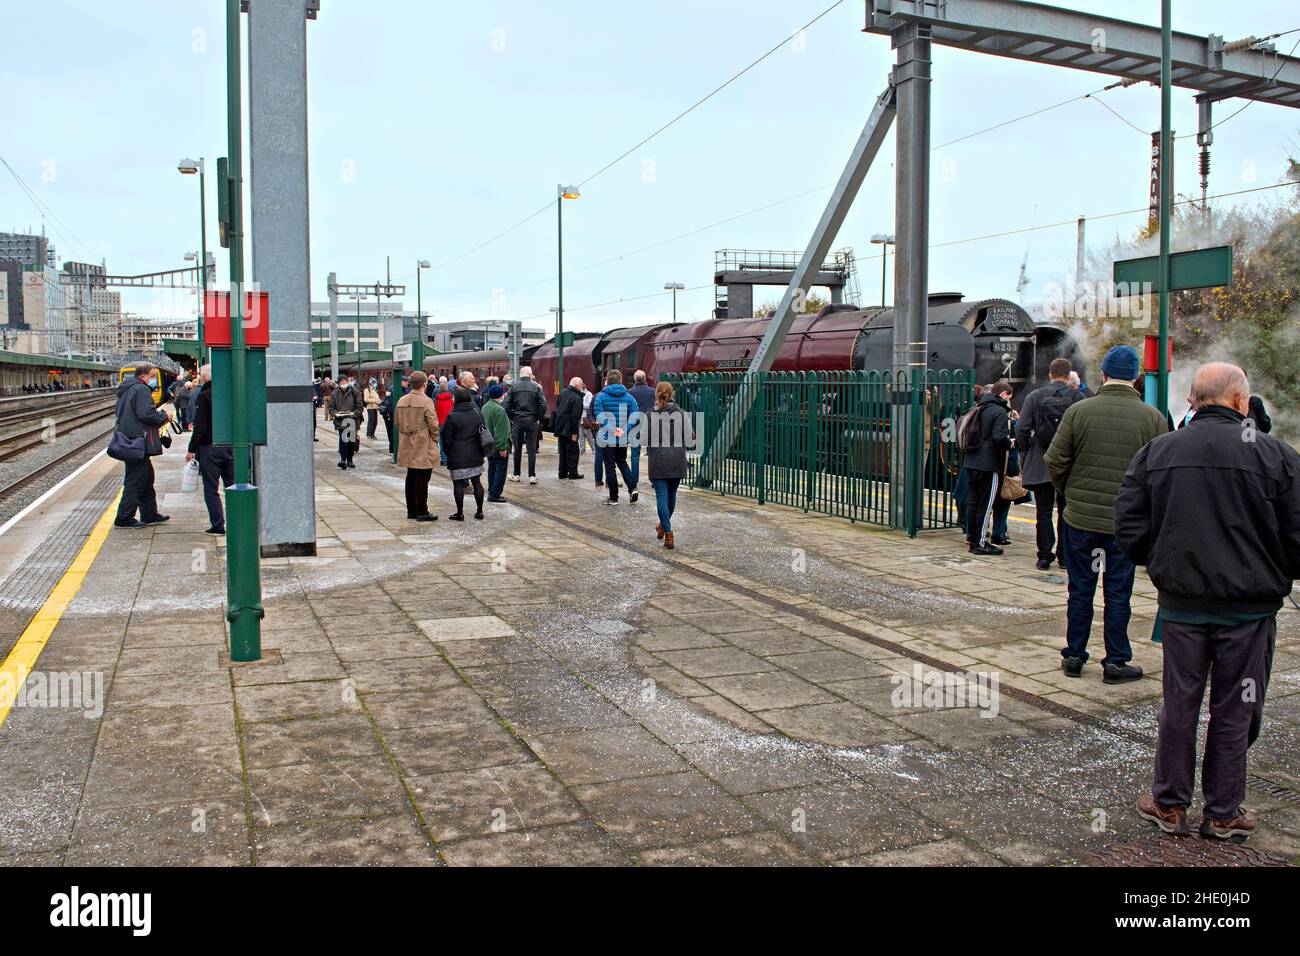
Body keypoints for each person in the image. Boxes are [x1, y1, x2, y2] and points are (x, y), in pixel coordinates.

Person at [1118, 362, 1300, 841]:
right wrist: (1279, 573)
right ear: (1241, 402)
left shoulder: (1158, 452)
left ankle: (1170, 803)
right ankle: (1222, 811)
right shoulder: (1276, 456)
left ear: (1192, 402)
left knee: (1179, 702)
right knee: (1236, 706)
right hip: (1250, 608)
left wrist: (1163, 565)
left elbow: (1130, 528)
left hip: (1182, 606)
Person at [1043, 344, 1167, 684]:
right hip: (1123, 526)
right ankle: (1115, 661)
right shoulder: (1153, 418)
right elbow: (1161, 473)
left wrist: (1070, 491)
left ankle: (1074, 654)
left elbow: (1054, 460)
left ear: (1104, 375)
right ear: (1135, 378)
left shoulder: (1079, 412)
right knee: (1118, 593)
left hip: (1080, 520)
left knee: (1080, 589)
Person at [1017, 357, 1086, 570]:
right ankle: (1065, 557)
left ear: (1050, 374)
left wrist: (1027, 449)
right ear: (1069, 375)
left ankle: (1044, 556)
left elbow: (1021, 428)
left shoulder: (1035, 396)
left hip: (1040, 460)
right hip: (1067, 464)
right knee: (1066, 512)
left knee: (1043, 511)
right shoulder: (1078, 398)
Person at [113, 363, 173, 529]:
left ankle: (149, 514)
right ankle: (124, 518)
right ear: (143, 376)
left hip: (131, 441)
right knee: (136, 480)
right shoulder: (141, 389)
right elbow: (146, 414)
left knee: (146, 478)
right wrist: (164, 416)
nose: (153, 380)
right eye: (152, 376)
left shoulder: (126, 389)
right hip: (138, 442)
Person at [963, 380, 1013, 555]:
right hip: (988, 464)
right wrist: (1010, 443)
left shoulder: (978, 407)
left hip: (971, 461)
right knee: (986, 504)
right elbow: (999, 438)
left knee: (974, 502)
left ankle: (972, 538)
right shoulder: (999, 411)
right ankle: (981, 543)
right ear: (1004, 395)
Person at [185, 364, 233, 536]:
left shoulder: (204, 395)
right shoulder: (230, 392)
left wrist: (191, 449)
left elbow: (201, 427)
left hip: (210, 448)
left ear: (204, 377)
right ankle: (237, 523)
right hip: (231, 447)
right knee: (233, 486)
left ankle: (218, 525)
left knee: (211, 489)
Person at [646, 381, 694, 549]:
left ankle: (667, 532)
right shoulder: (681, 414)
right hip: (677, 460)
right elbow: (690, 439)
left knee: (661, 497)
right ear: (672, 393)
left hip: (658, 460)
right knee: (671, 495)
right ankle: (664, 528)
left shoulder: (650, 415)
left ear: (656, 394)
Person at [395, 371, 440, 522]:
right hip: (422, 444)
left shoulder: (401, 400)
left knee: (411, 476)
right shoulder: (426, 401)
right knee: (423, 478)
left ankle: (411, 510)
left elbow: (397, 422)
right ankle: (422, 510)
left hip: (407, 443)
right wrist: (435, 440)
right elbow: (433, 425)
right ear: (424, 384)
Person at [592, 368, 639, 505]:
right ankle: (632, 488)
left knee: (610, 465)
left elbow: (600, 417)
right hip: (622, 437)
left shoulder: (600, 397)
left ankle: (614, 498)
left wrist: (612, 430)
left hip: (607, 437)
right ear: (620, 380)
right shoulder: (630, 397)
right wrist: (624, 429)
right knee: (622, 461)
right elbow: (635, 415)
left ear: (607, 381)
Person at [441, 386, 487, 520]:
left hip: (457, 454)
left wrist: (449, 453)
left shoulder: (452, 416)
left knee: (458, 484)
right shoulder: (476, 412)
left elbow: (446, 438)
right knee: (477, 482)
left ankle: (459, 513)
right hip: (475, 453)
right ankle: (479, 511)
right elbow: (483, 429)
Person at [504, 365, 546, 484]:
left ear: (520, 375)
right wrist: (538, 417)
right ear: (530, 374)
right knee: (531, 448)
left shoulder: (513, 387)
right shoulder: (537, 387)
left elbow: (506, 405)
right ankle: (532, 475)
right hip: (532, 420)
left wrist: (512, 417)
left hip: (517, 420)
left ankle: (516, 474)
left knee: (517, 448)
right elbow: (543, 403)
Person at [482, 383, 512, 502]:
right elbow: (501, 431)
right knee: (500, 469)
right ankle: (495, 494)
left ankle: (491, 490)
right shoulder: (499, 410)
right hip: (497, 445)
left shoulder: (485, 407)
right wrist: (502, 447)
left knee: (492, 468)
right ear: (500, 395)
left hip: (488, 444)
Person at [552, 377, 586, 480]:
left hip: (561, 427)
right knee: (573, 451)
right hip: (570, 429)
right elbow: (575, 417)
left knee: (563, 451)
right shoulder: (577, 398)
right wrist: (575, 433)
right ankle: (573, 473)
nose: (582, 387)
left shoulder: (563, 393)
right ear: (578, 386)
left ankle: (562, 473)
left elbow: (558, 407)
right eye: (581, 385)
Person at [628, 369, 657, 486]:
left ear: (635, 379)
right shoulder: (652, 391)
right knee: (653, 453)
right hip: (650, 425)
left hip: (635, 425)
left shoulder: (630, 392)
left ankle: (634, 481)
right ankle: (654, 480)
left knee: (635, 455)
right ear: (645, 379)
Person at [328, 374, 363, 469]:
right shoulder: (334, 394)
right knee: (343, 440)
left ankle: (350, 460)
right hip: (341, 420)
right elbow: (331, 408)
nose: (343, 383)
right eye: (341, 381)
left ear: (347, 382)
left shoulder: (355, 392)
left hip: (351, 419)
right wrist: (335, 414)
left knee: (351, 441)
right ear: (338, 383)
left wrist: (354, 413)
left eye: (344, 381)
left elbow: (360, 406)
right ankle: (343, 460)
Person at [582, 381, 604, 487]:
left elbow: (590, 411)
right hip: (614, 430)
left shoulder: (596, 396)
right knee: (611, 459)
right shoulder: (625, 395)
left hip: (599, 428)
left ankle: (598, 480)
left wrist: (594, 422)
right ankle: (610, 482)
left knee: (599, 455)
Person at [434, 378, 454, 466]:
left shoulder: (436, 401)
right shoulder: (451, 400)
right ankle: (450, 457)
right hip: (450, 424)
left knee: (441, 442)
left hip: (440, 423)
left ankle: (444, 458)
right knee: (450, 441)